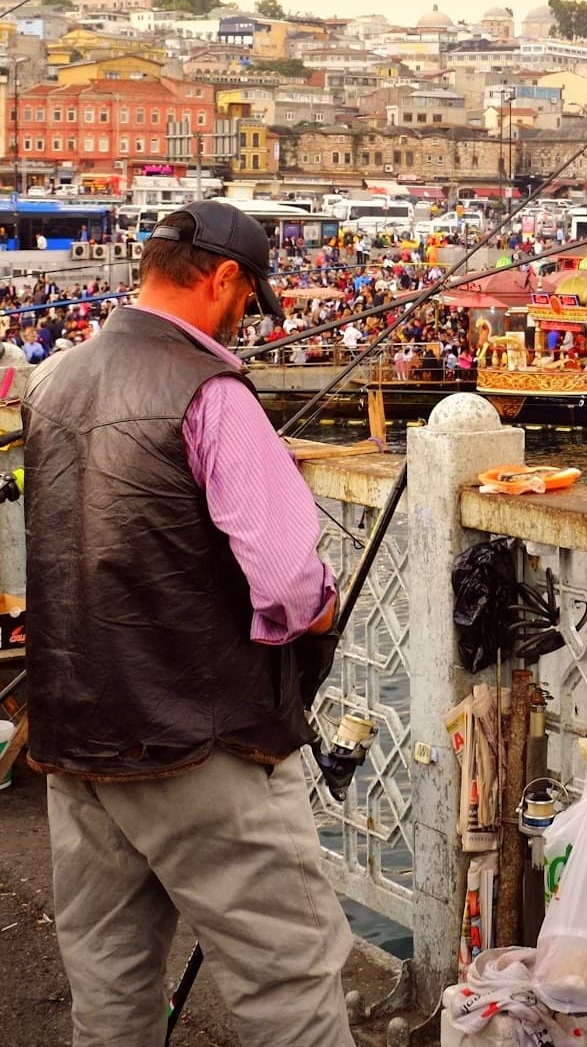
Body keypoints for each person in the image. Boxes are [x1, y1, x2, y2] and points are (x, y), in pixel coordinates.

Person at [22, 202, 354, 1046]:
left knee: (109, 988)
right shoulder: (213, 394)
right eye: (248, 300)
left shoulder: (51, 379)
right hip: (195, 745)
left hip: (75, 739)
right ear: (225, 278)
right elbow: (287, 585)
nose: (246, 321)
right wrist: (320, 610)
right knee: (290, 982)